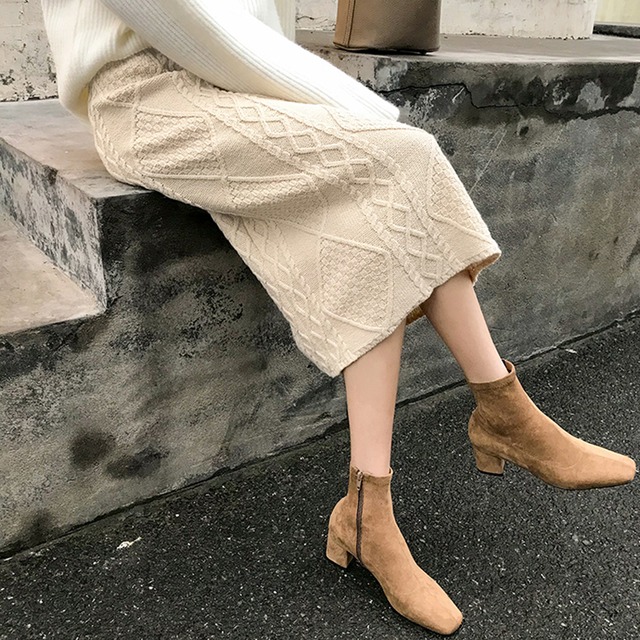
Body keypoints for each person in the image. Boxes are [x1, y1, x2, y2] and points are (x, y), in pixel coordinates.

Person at [40, 0, 636, 635]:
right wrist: (344, 102)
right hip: (148, 104)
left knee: (379, 215)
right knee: (403, 157)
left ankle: (375, 502)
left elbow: (252, 28)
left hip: (227, 86)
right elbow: (194, 26)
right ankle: (500, 416)